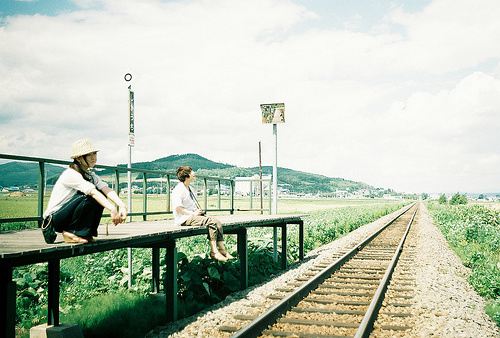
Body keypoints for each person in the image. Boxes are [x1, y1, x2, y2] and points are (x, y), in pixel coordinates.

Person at [42, 138, 127, 244]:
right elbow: (93, 192)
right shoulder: (71, 174)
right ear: (79, 158)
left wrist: (122, 205)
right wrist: (112, 208)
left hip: (66, 216)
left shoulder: (90, 175)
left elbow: (106, 189)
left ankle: (86, 233)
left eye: (94, 153)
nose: (93, 158)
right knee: (91, 196)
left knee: (99, 195)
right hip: (55, 220)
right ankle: (70, 233)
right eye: (89, 155)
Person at [172, 166, 233, 262]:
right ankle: (214, 251)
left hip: (192, 216)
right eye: (192, 172)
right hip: (184, 218)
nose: (194, 174)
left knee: (217, 222)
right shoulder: (179, 189)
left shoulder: (189, 188)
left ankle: (223, 250)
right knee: (210, 222)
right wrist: (193, 213)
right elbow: (178, 208)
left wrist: (198, 212)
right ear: (187, 176)